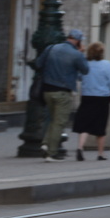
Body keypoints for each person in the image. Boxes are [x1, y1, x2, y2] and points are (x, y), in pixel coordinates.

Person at [35, 28, 89, 161]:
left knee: (53, 120)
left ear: (68, 37)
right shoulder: (76, 54)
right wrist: (80, 53)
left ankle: (46, 144)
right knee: (59, 123)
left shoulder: (51, 48)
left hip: (47, 91)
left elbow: (38, 64)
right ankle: (51, 153)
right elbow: (86, 70)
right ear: (78, 41)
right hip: (63, 93)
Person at [74, 42, 110, 161]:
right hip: (102, 98)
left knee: (85, 124)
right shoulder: (107, 65)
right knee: (100, 126)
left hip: (87, 96)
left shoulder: (86, 65)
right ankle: (100, 154)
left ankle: (80, 147)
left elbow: (79, 77)